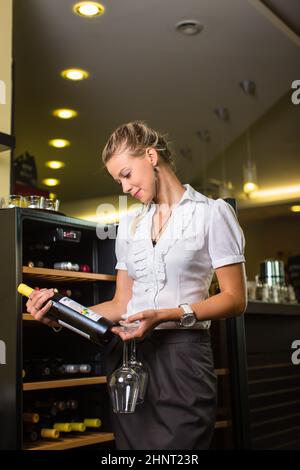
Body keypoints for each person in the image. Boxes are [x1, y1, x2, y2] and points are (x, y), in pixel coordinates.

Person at [26, 121, 247, 450]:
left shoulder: (212, 214)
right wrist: (60, 312)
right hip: (129, 361)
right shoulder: (130, 224)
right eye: (118, 181)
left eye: (127, 174)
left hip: (183, 358)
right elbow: (120, 305)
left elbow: (234, 299)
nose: (124, 188)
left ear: (151, 156)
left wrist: (165, 314)